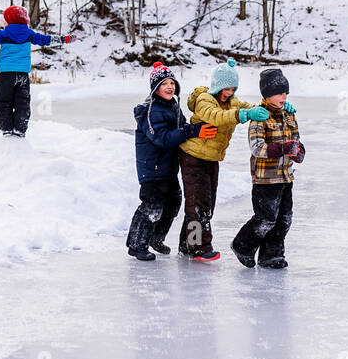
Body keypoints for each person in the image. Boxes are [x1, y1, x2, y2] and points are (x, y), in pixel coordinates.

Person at [176, 59, 269, 262]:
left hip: (211, 159)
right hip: (192, 157)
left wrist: (272, 107)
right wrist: (242, 114)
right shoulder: (204, 100)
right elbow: (216, 116)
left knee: (206, 204)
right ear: (217, 85)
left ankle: (186, 244)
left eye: (233, 88)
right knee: (197, 204)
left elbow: (249, 107)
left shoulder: (232, 101)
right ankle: (198, 247)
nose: (229, 92)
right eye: (226, 88)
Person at [127, 62, 217, 261]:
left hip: (168, 168)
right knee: (152, 205)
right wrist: (191, 131)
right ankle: (136, 244)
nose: (170, 87)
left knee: (174, 202)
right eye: (164, 83)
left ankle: (156, 237)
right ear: (155, 88)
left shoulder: (173, 106)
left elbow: (182, 127)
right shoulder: (149, 110)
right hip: (152, 168)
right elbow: (162, 138)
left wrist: (196, 127)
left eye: (172, 83)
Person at [0, 5, 75, 136]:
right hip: (22, 75)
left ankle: (6, 129)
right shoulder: (29, 33)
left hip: (6, 75)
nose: (3, 22)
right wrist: (63, 39)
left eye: (5, 20)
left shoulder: (3, 34)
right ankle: (20, 129)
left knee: (4, 102)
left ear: (9, 21)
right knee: (22, 102)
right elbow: (45, 40)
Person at [231, 67, 303, 270]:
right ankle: (242, 246)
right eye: (280, 93)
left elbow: (296, 140)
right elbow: (257, 148)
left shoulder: (289, 115)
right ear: (268, 94)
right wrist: (283, 148)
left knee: (284, 219)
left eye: (286, 93)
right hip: (265, 179)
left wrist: (298, 151)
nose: (284, 96)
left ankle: (271, 255)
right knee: (266, 219)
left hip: (286, 177)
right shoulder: (259, 117)